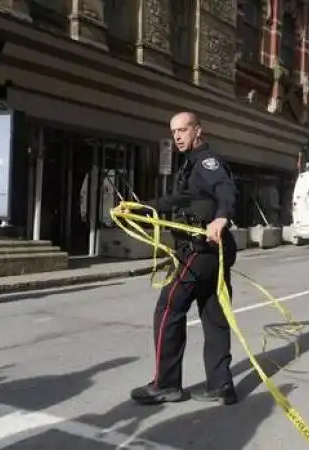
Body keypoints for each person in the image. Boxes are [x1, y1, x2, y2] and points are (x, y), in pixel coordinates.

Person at [129, 112, 239, 406]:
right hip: (212, 252)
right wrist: (142, 209)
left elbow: (226, 190)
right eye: (174, 131)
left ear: (197, 131)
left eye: (183, 130)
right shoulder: (191, 166)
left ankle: (166, 385)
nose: (178, 136)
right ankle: (221, 385)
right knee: (214, 315)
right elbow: (178, 200)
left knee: (168, 309)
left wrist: (221, 217)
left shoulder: (205, 162)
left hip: (202, 249)